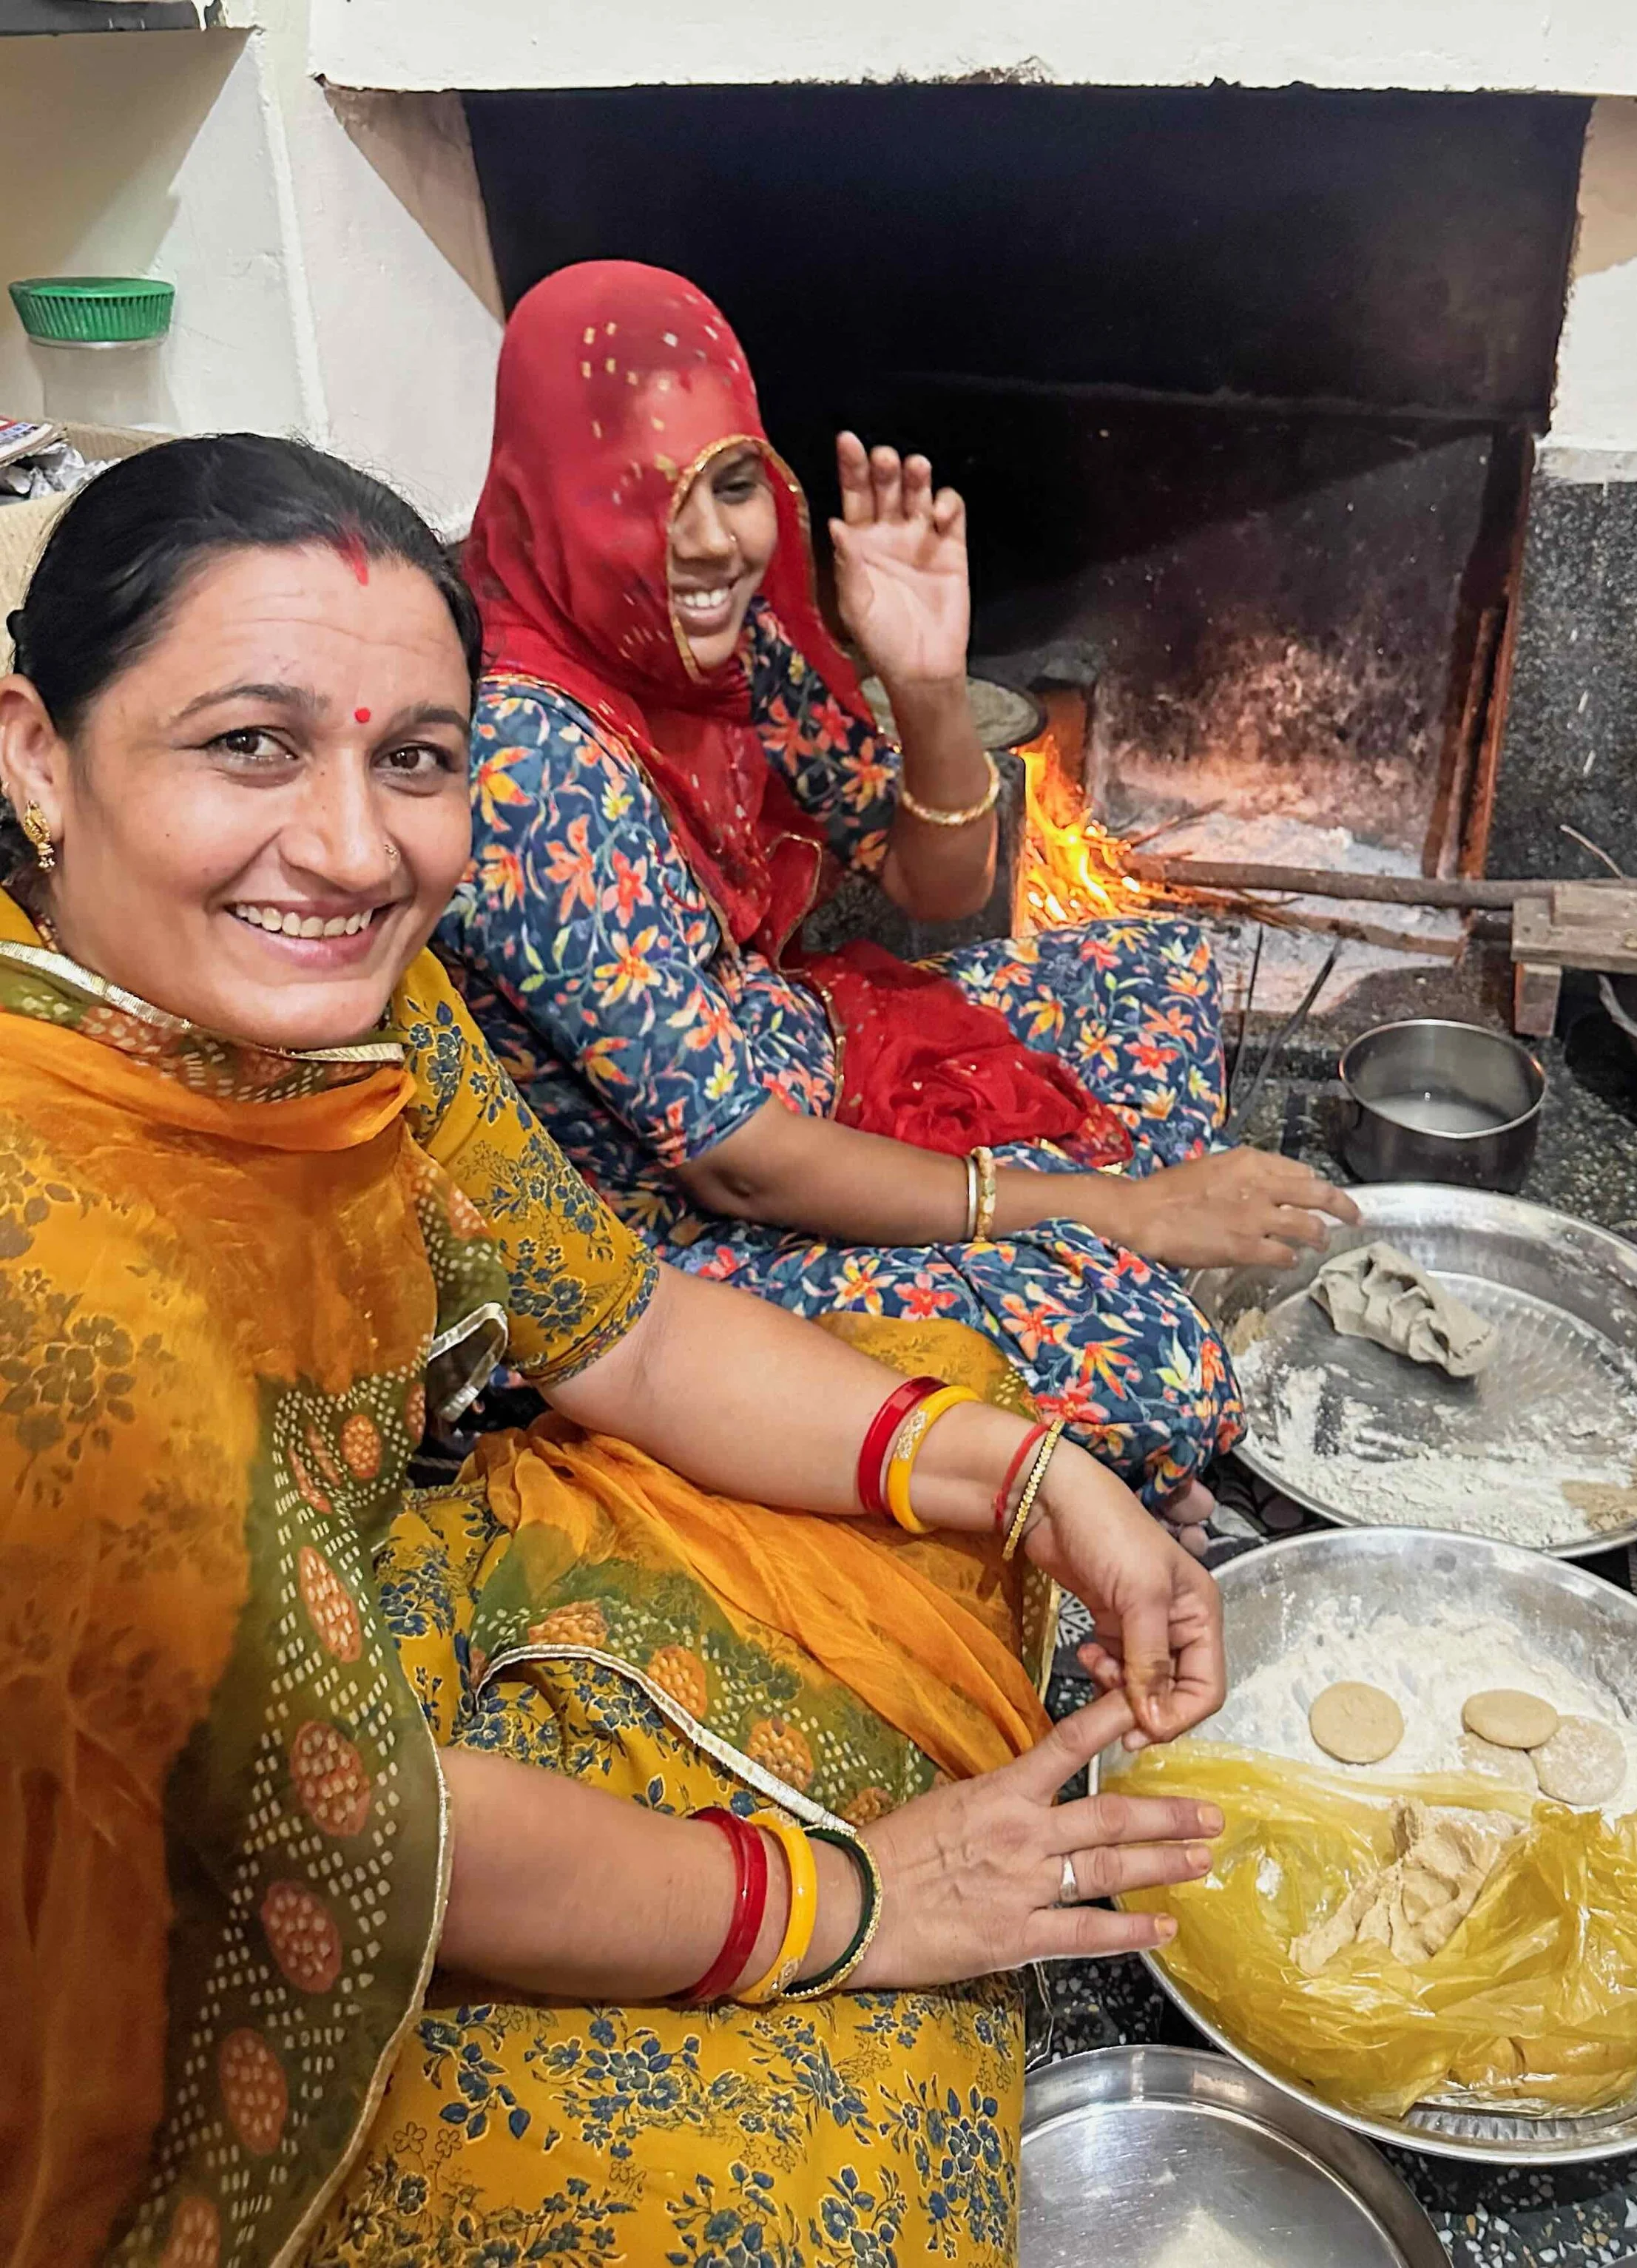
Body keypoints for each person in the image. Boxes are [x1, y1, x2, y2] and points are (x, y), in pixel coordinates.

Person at [0, 435, 1229, 2268]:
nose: (348, 846)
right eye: (248, 744)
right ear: (38, 753)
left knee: (964, 1458)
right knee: (865, 2159)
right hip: (211, 1899)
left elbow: (626, 1325)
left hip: (403, 1584)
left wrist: (1031, 1482)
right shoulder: (64, 1282)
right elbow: (355, 1822)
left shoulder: (355, 1002)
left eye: (412, 759)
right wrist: (858, 1901)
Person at [441, 260, 1357, 1524]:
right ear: (552, 500)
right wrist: (1122, 1208)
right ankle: (1093, 1273)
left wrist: (926, 678)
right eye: (643, 497)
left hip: (797, 1056)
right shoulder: (524, 764)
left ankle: (1085, 1250)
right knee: (1157, 1371)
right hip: (659, 1262)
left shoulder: (709, 644)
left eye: (730, 481)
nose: (710, 543)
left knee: (1160, 970)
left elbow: (937, 880)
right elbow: (743, 1168)